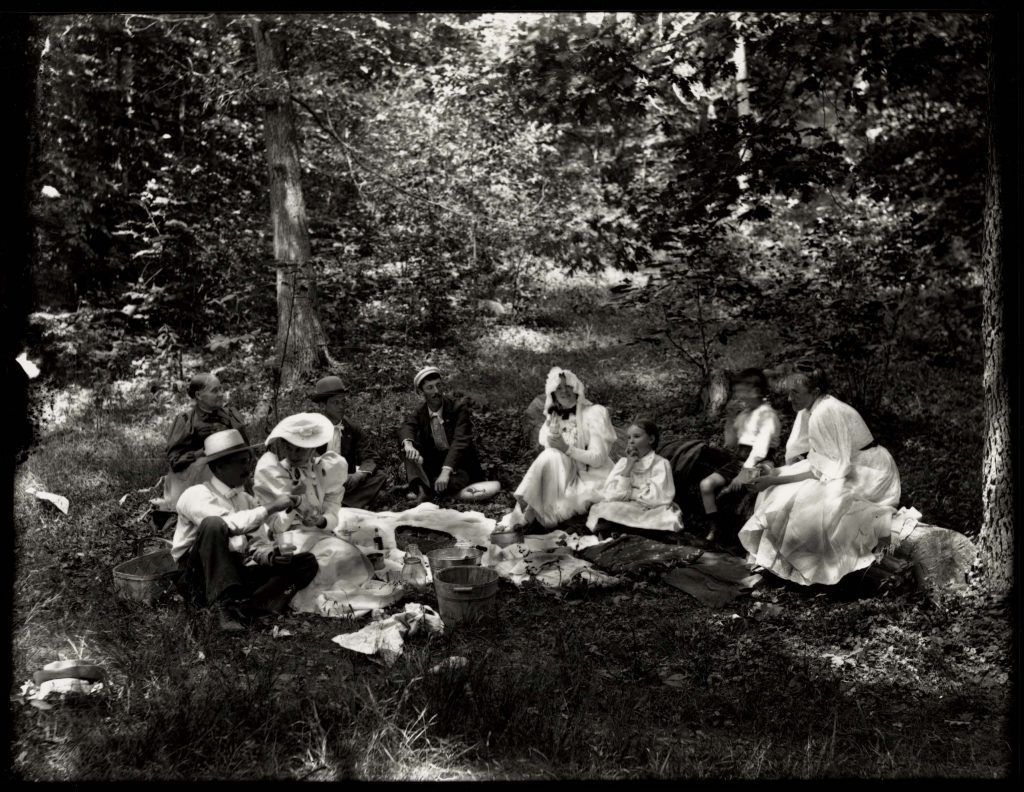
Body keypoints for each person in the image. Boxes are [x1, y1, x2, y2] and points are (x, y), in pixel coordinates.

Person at [738, 361, 901, 586]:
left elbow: (830, 471)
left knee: (802, 504)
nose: (789, 398)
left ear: (814, 391)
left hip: (869, 471)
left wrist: (773, 480)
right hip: (846, 464)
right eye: (789, 392)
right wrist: (773, 473)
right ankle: (767, 561)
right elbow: (805, 453)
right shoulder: (812, 407)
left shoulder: (824, 412)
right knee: (779, 488)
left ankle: (781, 566)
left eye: (796, 393)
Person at [172, 429, 317, 633]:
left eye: (248, 460)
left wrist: (271, 556)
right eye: (240, 462)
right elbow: (228, 525)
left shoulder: (245, 500)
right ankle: (222, 608)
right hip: (199, 576)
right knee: (213, 524)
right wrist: (270, 507)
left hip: (235, 571)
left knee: (305, 562)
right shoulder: (195, 494)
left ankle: (247, 608)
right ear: (219, 467)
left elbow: (256, 544)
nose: (248, 467)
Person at [254, 412, 374, 612]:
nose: (294, 455)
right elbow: (274, 525)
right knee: (324, 562)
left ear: (312, 449)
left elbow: (333, 509)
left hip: (319, 534)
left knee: (345, 555)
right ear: (282, 446)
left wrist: (321, 520)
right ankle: (282, 594)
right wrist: (291, 503)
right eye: (288, 448)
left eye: (300, 450)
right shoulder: (272, 471)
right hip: (287, 538)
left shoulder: (326, 469)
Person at [500, 366, 617, 530]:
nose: (564, 391)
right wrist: (552, 427)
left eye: (568, 386)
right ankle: (526, 512)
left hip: (591, 477)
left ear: (576, 388)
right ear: (552, 393)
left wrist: (567, 449)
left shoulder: (595, 413)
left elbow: (598, 459)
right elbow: (547, 446)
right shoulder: (555, 416)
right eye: (559, 388)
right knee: (551, 454)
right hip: (563, 476)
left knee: (553, 454)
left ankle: (525, 510)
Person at [697, 368, 781, 545]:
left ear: (756, 391)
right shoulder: (744, 414)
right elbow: (731, 443)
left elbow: (760, 449)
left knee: (732, 494)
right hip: (740, 459)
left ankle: (736, 538)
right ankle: (715, 527)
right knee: (706, 485)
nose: (737, 395)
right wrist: (729, 419)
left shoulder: (767, 414)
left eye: (741, 390)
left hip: (761, 462)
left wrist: (744, 472)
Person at [152, 372, 249, 525]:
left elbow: (245, 447)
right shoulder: (186, 420)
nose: (220, 394)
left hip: (233, 470)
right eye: (214, 391)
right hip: (198, 477)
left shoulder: (230, 415)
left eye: (221, 389)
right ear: (198, 395)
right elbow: (175, 460)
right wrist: (202, 452)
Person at [398, 366, 486, 504]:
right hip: (434, 464)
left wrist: (446, 471)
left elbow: (460, 441)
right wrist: (408, 445)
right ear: (421, 392)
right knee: (406, 448)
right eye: (430, 388)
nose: (436, 391)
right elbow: (407, 426)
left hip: (459, 464)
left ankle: (421, 488)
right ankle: (422, 488)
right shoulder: (420, 412)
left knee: (448, 485)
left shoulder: (458, 408)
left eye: (439, 385)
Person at [586, 418, 683, 536]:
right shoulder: (623, 463)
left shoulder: (660, 463)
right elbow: (611, 495)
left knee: (665, 518)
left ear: (651, 439)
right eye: (629, 437)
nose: (631, 441)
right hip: (626, 505)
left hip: (650, 508)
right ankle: (624, 529)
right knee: (605, 509)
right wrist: (629, 465)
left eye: (636, 436)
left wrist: (630, 494)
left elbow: (657, 498)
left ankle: (627, 530)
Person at [310, 376, 387, 509]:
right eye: (336, 402)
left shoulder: (352, 428)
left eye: (343, 401)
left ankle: (343, 503)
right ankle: (347, 502)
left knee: (379, 476)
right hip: (318, 479)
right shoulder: (312, 427)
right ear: (323, 405)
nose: (341, 407)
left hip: (344, 480)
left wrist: (359, 475)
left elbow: (369, 457)